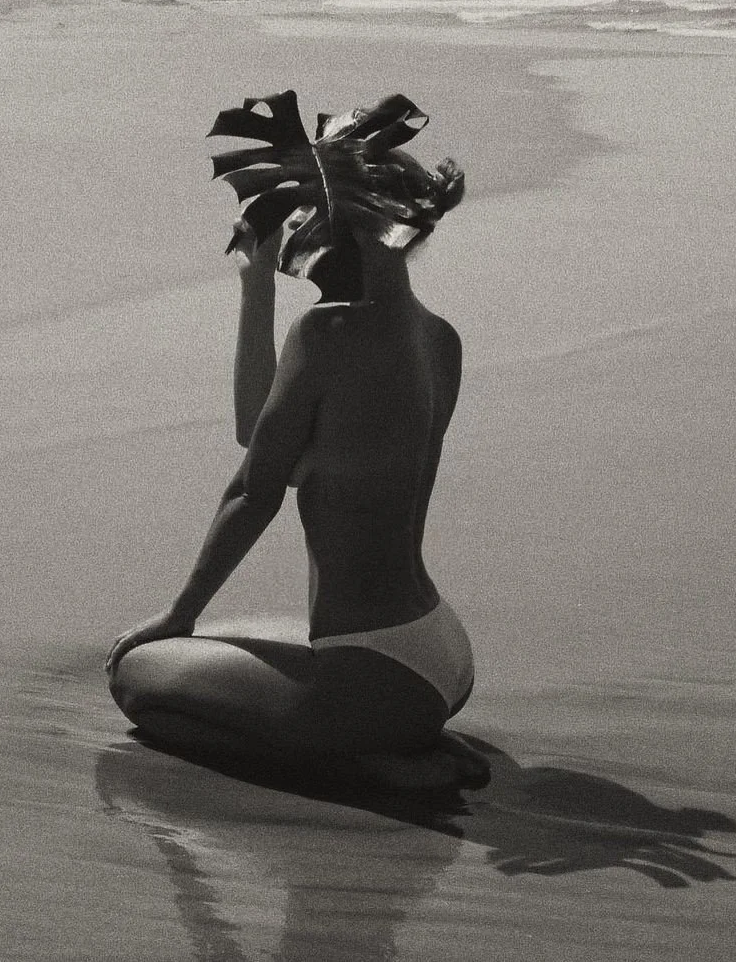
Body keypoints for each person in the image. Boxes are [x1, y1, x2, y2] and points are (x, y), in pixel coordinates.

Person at [105, 91, 489, 788]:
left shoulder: (329, 334)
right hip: (441, 649)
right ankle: (395, 730)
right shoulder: (440, 338)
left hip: (376, 670)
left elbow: (254, 491)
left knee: (137, 679)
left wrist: (178, 612)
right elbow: (263, 432)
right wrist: (257, 290)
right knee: (221, 646)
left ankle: (368, 759)